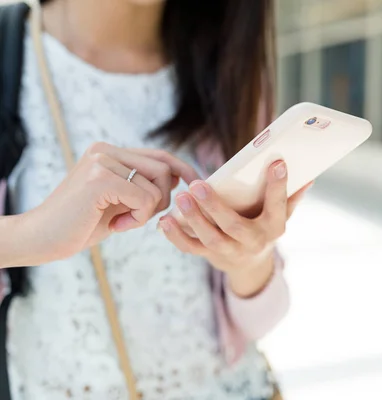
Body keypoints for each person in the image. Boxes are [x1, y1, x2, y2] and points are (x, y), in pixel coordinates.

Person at [0, 0, 309, 399]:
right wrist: (32, 234)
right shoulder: (12, 55)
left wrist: (248, 259)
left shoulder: (227, 68)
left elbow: (260, 321)